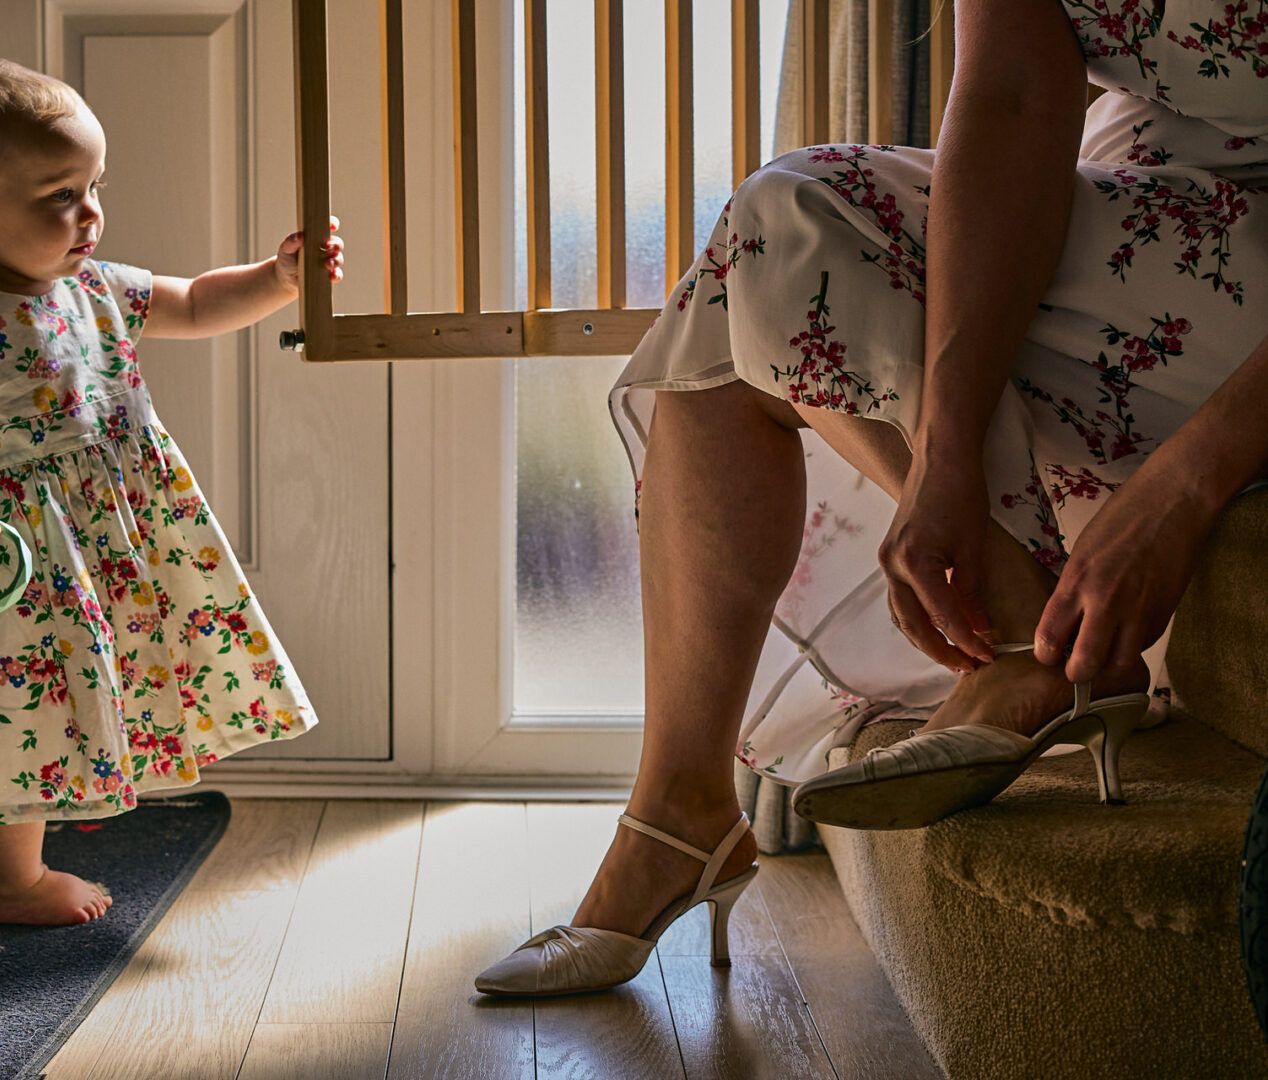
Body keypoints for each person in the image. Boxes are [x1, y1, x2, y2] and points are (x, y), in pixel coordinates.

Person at [477, 0, 1268, 996]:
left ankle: (1025, 640)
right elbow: (1014, 93)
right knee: (757, 278)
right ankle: (681, 809)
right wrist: (941, 457)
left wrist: (1186, 484)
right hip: (1140, 219)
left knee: (783, 224)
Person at [0, 58, 344, 926]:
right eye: (61, 195)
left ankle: (64, 831)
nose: (90, 213)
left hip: (107, 542)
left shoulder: (97, 289)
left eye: (95, 187)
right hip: (7, 552)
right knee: (11, 699)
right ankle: (15, 881)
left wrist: (276, 280)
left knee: (91, 680)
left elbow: (193, 301)